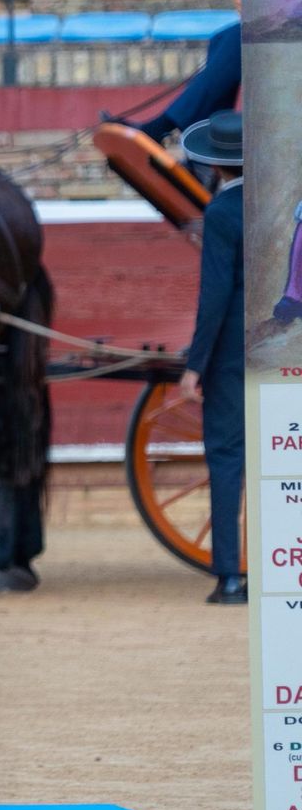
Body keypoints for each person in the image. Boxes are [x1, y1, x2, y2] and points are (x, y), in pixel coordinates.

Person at [179, 110, 246, 605]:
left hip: (233, 356)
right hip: (284, 345)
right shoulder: (283, 202)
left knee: (226, 458)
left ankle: (230, 577)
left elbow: (216, 297)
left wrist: (195, 366)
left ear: (215, 165)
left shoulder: (222, 213)